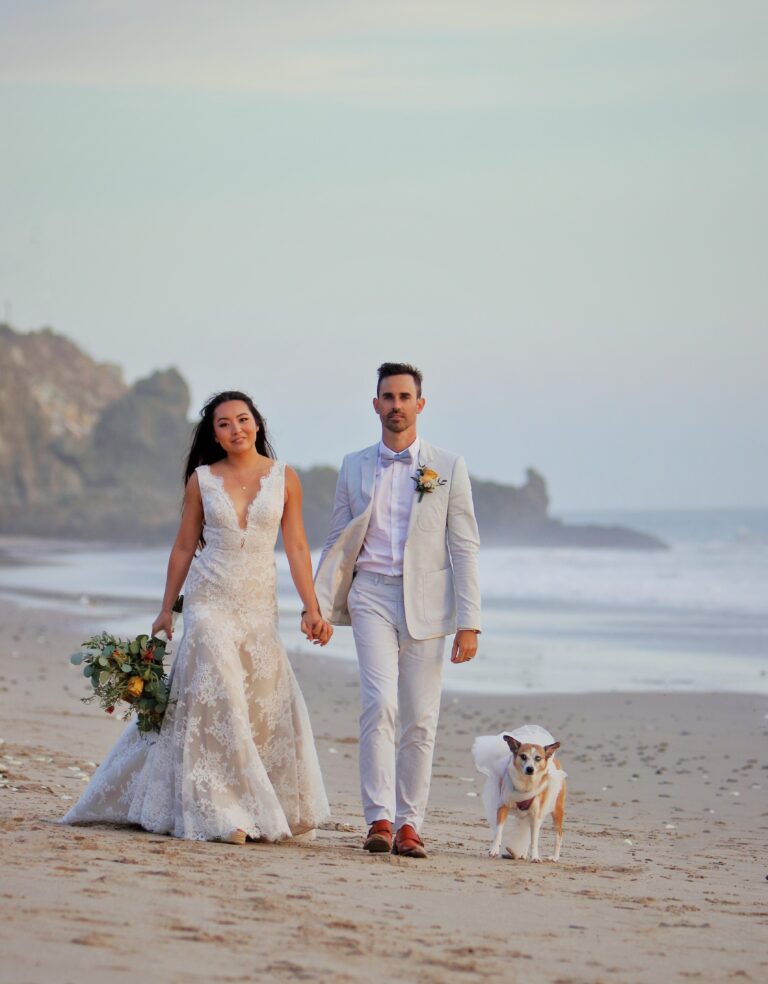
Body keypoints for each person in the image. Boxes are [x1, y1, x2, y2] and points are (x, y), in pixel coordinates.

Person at [63, 390, 331, 843]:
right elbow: (185, 545)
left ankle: (254, 802)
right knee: (218, 694)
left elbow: (298, 546)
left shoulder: (285, 479)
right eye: (223, 424)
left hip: (258, 605)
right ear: (214, 434)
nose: (235, 429)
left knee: (257, 706)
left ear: (258, 424)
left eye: (243, 420)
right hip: (209, 601)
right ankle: (224, 813)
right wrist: (166, 609)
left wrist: (312, 607)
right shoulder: (202, 480)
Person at [315, 363, 481, 858]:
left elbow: (465, 546)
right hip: (370, 596)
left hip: (428, 604)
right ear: (375, 404)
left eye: (405, 396)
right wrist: (320, 607)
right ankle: (379, 820)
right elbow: (337, 540)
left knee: (420, 718)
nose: (396, 405)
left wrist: (470, 622)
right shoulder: (353, 465)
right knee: (379, 704)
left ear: (420, 405)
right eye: (388, 396)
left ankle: (411, 823)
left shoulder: (447, 467)